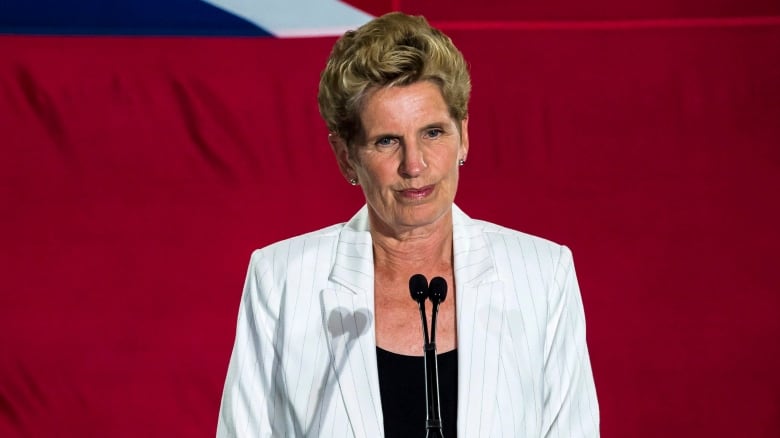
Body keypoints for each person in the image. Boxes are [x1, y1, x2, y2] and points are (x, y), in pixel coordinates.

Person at [216, 11, 599, 437]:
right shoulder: (282, 280)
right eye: (387, 141)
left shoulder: (543, 275)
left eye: (433, 133)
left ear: (464, 135)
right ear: (347, 156)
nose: (414, 165)